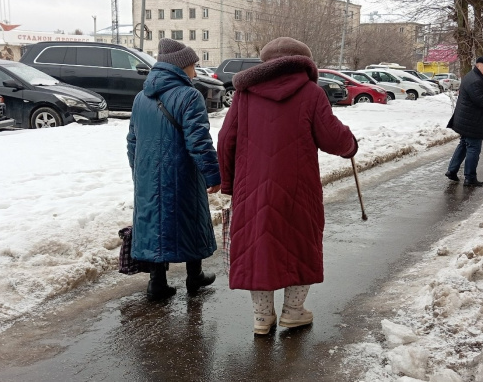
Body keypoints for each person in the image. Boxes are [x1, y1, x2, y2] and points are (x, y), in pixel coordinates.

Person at [217, 37, 358, 335]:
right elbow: (332, 136)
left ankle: (261, 318)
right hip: (298, 188)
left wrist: (228, 183)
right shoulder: (311, 92)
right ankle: (293, 312)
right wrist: (350, 145)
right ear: (302, 61)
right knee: (299, 244)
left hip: (251, 188)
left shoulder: (244, 94)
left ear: (266, 62)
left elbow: (225, 139)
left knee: (258, 247)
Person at [126, 38, 221, 302]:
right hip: (182, 172)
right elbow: (199, 140)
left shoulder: (140, 97)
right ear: (181, 66)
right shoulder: (189, 95)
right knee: (189, 218)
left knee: (154, 222)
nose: (195, 69)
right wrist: (212, 174)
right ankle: (195, 276)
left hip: (147, 174)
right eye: (193, 64)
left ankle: (157, 283)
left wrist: (138, 170)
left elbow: (132, 139)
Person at [445, 56, 483, 187]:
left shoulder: (474, 76)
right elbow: (481, 100)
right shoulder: (475, 80)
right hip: (473, 121)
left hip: (468, 119)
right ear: (478, 65)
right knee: (473, 149)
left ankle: (452, 170)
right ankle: (470, 177)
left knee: (464, 144)